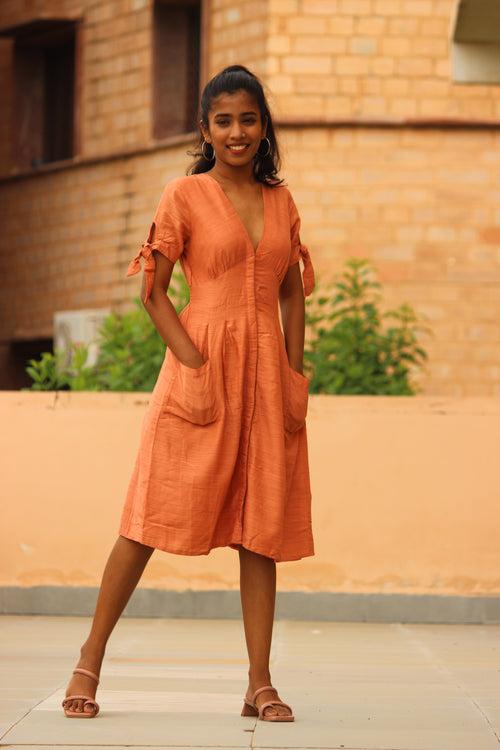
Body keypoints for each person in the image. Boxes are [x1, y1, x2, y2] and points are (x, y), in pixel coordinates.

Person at [62, 64, 315, 723]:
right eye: (224, 121)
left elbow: (292, 288)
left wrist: (295, 373)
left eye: (249, 119)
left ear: (264, 126)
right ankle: (88, 661)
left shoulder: (282, 201)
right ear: (206, 129)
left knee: (262, 528)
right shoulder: (183, 194)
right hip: (200, 364)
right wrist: (193, 362)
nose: (237, 131)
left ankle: (260, 682)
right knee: (147, 516)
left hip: (266, 376)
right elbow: (153, 290)